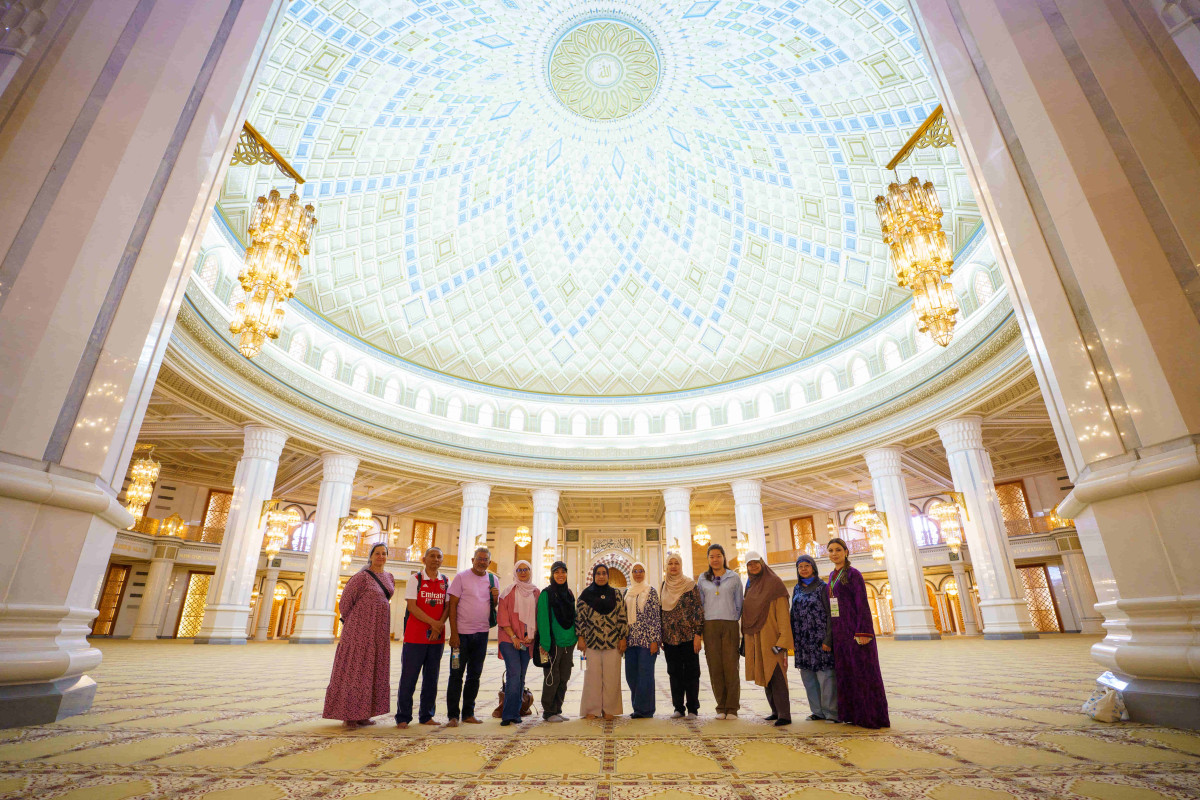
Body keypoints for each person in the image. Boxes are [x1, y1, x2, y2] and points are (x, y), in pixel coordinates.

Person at [323, 542, 394, 727]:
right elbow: (345, 603)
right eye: (377, 553)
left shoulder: (389, 577)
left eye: (384, 553)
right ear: (370, 556)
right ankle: (349, 714)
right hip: (358, 631)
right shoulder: (361, 577)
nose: (381, 556)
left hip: (379, 631)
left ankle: (364, 713)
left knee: (371, 670)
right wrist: (355, 624)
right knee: (355, 670)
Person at [826, 537, 890, 728]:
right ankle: (853, 715)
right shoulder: (831, 575)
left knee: (862, 674)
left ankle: (870, 717)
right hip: (840, 633)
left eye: (838, 550)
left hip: (855, 631)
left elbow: (862, 604)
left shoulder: (854, 574)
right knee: (847, 674)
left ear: (846, 552)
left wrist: (863, 632)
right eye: (831, 550)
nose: (834, 554)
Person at [395, 546, 449, 728]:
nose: (435, 559)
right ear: (424, 559)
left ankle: (426, 715)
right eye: (432, 556)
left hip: (436, 638)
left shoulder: (445, 581)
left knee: (431, 679)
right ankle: (403, 716)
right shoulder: (415, 579)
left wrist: (438, 626)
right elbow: (412, 606)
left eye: (439, 556)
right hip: (415, 638)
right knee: (409, 678)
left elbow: (447, 607)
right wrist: (434, 623)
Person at [445, 546, 500, 727]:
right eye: (479, 558)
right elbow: (452, 606)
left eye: (485, 559)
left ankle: (468, 713)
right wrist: (453, 633)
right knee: (456, 674)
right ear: (472, 560)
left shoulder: (493, 579)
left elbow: (492, 606)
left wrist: (495, 598)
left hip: (482, 634)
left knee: (474, 676)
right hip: (461, 636)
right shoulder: (461, 577)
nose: (482, 562)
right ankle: (453, 715)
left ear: (489, 562)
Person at [742, 551, 794, 726]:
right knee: (766, 674)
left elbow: (783, 615)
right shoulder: (751, 585)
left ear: (762, 563)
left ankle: (784, 714)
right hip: (757, 637)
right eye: (750, 564)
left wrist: (782, 642)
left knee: (777, 674)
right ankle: (775, 711)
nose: (753, 567)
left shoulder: (774, 584)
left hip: (773, 638)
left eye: (756, 563)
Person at [576, 563, 628, 720]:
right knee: (592, 677)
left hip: (613, 642)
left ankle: (609, 709)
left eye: (604, 573)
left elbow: (622, 617)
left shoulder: (616, 594)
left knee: (612, 677)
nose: (601, 576)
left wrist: (623, 637)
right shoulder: (585, 595)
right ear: (594, 576)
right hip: (592, 642)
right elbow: (580, 619)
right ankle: (592, 709)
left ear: (608, 576)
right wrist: (580, 638)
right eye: (598, 573)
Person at [696, 543, 743, 718]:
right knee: (715, 666)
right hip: (710, 625)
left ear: (724, 557)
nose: (715, 559)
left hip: (730, 624)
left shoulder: (734, 577)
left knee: (731, 666)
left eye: (718, 556)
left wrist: (731, 616)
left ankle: (732, 707)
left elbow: (739, 603)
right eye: (712, 556)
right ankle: (721, 706)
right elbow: (700, 604)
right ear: (708, 559)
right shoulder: (703, 578)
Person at [791, 553, 837, 722]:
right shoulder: (797, 588)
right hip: (803, 642)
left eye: (807, 566)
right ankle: (817, 712)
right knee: (808, 678)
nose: (803, 569)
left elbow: (831, 614)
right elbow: (793, 614)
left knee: (826, 678)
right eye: (800, 567)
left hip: (820, 640)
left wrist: (828, 639)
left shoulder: (823, 587)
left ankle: (831, 713)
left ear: (813, 568)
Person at [659, 552, 704, 718]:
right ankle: (678, 708)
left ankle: (692, 708)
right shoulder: (664, 585)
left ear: (681, 565)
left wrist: (698, 635)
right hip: (670, 637)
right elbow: (661, 612)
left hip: (689, 637)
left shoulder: (690, 585)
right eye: (670, 563)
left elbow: (698, 610)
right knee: (674, 673)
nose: (673, 566)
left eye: (676, 563)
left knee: (691, 673)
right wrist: (661, 635)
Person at [497, 559, 539, 726]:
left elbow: (539, 616)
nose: (522, 572)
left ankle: (517, 712)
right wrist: (514, 637)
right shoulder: (507, 592)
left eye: (526, 569)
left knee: (521, 676)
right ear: (515, 572)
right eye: (519, 570)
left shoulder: (536, 592)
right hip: (509, 639)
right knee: (514, 674)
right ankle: (508, 714)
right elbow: (502, 618)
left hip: (527, 641)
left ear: (530, 571)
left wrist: (532, 635)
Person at [536, 560, 576, 722]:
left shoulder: (569, 593)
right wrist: (545, 643)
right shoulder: (546, 594)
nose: (560, 575)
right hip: (553, 643)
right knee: (552, 677)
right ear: (552, 575)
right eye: (557, 572)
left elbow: (573, 617)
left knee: (564, 678)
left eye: (563, 572)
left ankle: (557, 709)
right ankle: (548, 711)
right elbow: (542, 620)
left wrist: (575, 638)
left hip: (568, 643)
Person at [623, 562, 662, 719]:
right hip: (630, 641)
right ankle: (637, 706)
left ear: (645, 573)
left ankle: (645, 710)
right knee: (631, 675)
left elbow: (655, 617)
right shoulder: (627, 592)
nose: (638, 573)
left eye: (641, 570)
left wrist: (655, 640)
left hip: (647, 641)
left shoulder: (650, 591)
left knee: (645, 675)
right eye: (635, 571)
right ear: (631, 574)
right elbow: (623, 617)